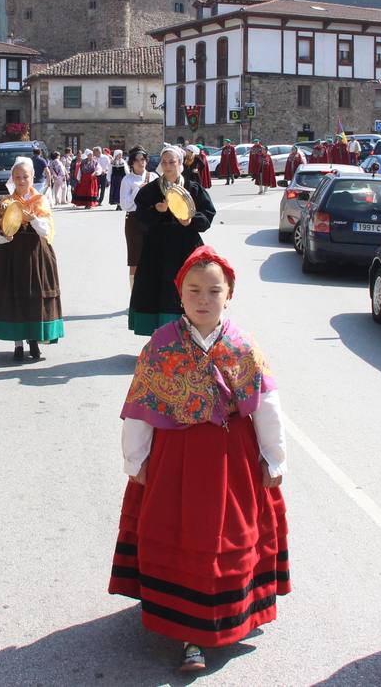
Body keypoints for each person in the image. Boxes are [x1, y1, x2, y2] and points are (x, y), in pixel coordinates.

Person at [109, 246, 289, 674]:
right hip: (175, 459)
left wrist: (274, 457)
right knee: (186, 538)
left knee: (223, 539)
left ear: (229, 295)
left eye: (213, 290)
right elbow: (141, 405)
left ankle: (226, 617)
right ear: (180, 295)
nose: (203, 299)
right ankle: (191, 631)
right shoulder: (161, 346)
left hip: (232, 463)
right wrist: (135, 459)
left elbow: (267, 405)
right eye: (194, 290)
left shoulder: (243, 346)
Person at [127, 145, 216, 335]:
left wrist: (191, 220)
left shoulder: (192, 188)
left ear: (180, 163)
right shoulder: (151, 190)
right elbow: (140, 218)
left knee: (186, 290)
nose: (167, 166)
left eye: (171, 162)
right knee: (156, 291)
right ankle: (160, 341)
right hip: (157, 249)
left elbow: (208, 215)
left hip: (185, 248)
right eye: (164, 162)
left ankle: (189, 338)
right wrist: (156, 212)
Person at [0, 157, 63, 362]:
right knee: (14, 296)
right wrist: (4, 236)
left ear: (32, 177)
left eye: (25, 176)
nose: (21, 180)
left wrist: (32, 219)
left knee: (34, 296)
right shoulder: (6, 202)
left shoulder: (40, 201)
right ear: (13, 178)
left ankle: (34, 339)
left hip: (36, 253)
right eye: (17, 177)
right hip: (11, 254)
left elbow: (46, 230)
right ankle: (18, 343)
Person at [119, 147, 156, 289]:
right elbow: (125, 205)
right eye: (137, 160)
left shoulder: (153, 177)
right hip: (134, 220)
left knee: (152, 257)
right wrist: (138, 190)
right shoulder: (127, 180)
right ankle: (135, 295)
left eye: (143, 159)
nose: (141, 163)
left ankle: (150, 293)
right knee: (135, 260)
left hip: (151, 219)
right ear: (132, 163)